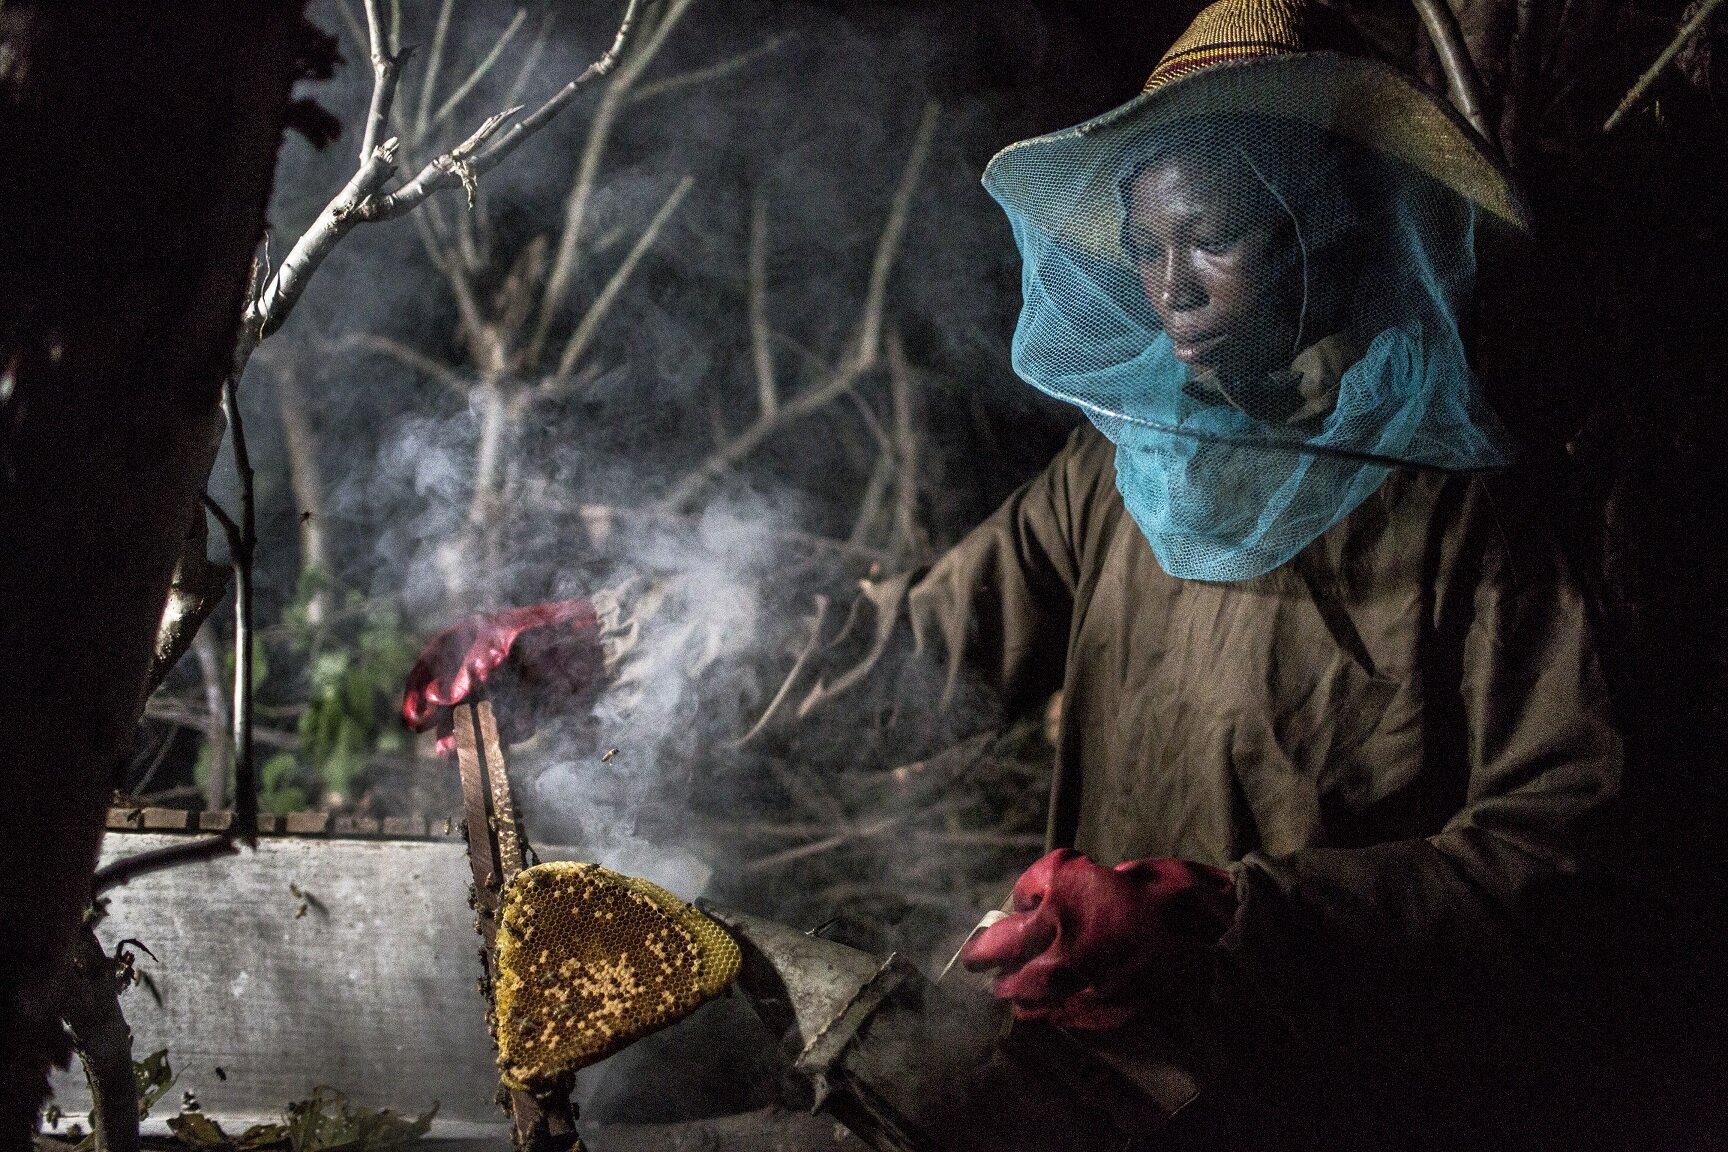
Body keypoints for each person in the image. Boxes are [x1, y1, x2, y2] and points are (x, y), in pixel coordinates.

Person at [407, 1, 1629, 1145]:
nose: (1173, 288)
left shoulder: (1469, 517)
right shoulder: (1118, 478)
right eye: (1150, 248)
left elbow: (1556, 854)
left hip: (1341, 1096)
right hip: (1099, 1074)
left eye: (1215, 236)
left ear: (1328, 220)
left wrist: (1224, 916)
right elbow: (919, 650)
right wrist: (619, 642)